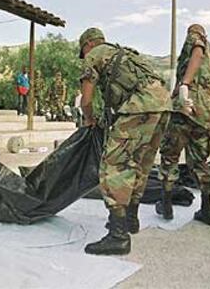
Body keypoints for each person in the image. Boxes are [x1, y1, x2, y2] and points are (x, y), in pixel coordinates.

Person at [79, 28, 171, 255]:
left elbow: (86, 100)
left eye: (82, 51)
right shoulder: (125, 53)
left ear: (88, 44)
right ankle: (131, 219)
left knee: (114, 165)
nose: (83, 55)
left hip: (140, 106)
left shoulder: (94, 54)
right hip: (164, 105)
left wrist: (89, 119)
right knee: (141, 162)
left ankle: (118, 236)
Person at [156, 24, 210, 226]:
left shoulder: (197, 40)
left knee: (169, 155)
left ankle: (166, 206)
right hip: (204, 114)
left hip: (185, 108)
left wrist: (185, 84)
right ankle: (207, 209)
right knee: (200, 160)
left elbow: (197, 53)